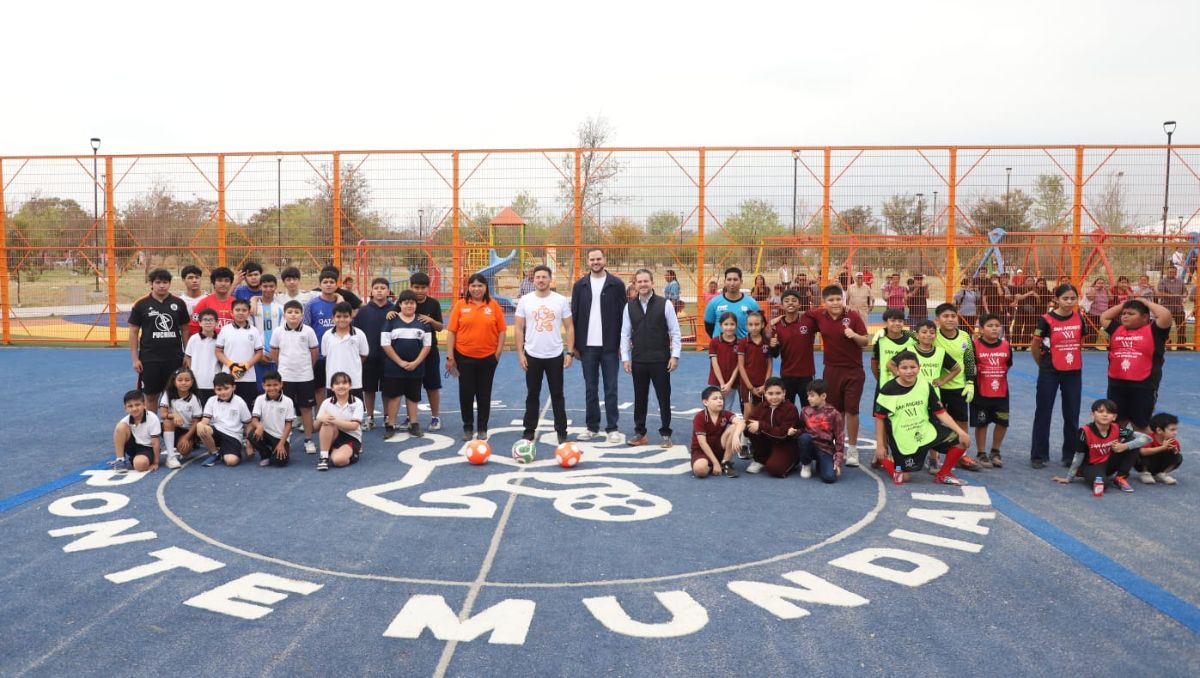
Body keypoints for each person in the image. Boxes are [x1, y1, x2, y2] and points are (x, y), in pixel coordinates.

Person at [874, 351, 972, 487]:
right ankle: (883, 458)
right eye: (904, 368)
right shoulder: (888, 389)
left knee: (962, 441)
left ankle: (943, 475)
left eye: (913, 367)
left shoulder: (925, 385)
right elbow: (880, 418)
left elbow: (940, 412)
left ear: (919, 368)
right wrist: (880, 445)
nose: (909, 371)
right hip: (904, 438)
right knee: (904, 478)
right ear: (897, 370)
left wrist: (960, 432)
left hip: (925, 430)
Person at [805, 285, 869, 467]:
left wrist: (854, 335)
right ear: (824, 302)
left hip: (853, 370)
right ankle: (837, 446)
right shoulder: (819, 315)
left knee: (852, 410)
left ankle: (853, 449)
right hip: (831, 370)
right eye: (831, 300)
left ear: (843, 299)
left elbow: (865, 341)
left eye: (838, 299)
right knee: (835, 410)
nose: (835, 303)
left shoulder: (853, 316)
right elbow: (806, 314)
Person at [620, 269, 682, 448]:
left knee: (664, 398)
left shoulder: (665, 304)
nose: (643, 284)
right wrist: (625, 358)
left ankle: (666, 434)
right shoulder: (629, 306)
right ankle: (640, 433)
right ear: (635, 284)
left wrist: (675, 356)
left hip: (660, 360)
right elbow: (625, 334)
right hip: (639, 360)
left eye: (646, 281)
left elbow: (675, 332)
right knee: (640, 398)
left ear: (652, 283)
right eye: (639, 282)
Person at [571, 249, 627, 443]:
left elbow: (624, 315)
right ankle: (592, 427)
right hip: (587, 347)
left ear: (604, 260)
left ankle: (612, 428)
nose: (595, 262)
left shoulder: (616, 284)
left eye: (598, 259)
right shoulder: (580, 285)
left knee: (611, 388)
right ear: (587, 262)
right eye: (592, 259)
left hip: (610, 346)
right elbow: (574, 314)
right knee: (590, 389)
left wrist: (622, 344)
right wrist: (574, 345)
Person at [515, 265, 574, 444]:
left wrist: (570, 352)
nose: (541, 280)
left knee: (557, 394)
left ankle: (561, 430)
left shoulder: (560, 300)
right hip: (532, 354)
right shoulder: (525, 300)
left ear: (550, 279)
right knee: (532, 394)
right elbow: (518, 328)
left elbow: (569, 327)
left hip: (555, 355)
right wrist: (520, 353)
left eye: (544, 277)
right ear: (533, 280)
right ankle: (529, 429)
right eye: (538, 277)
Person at [446, 273, 506, 441]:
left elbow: (502, 330)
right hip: (463, 357)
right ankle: (467, 426)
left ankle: (482, 427)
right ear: (468, 287)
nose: (477, 289)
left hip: (488, 358)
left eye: (480, 285)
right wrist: (450, 356)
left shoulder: (493, 305)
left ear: (486, 287)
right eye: (473, 285)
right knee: (466, 393)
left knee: (484, 394)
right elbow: (451, 332)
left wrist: (498, 353)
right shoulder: (460, 305)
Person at [1030, 283, 1084, 469]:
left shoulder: (1079, 318)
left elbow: (1079, 342)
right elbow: (1035, 346)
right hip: (1049, 371)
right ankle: (1038, 455)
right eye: (1065, 298)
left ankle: (1070, 455)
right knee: (1043, 412)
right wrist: (1044, 365)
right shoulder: (1046, 320)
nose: (1069, 302)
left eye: (1073, 298)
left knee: (1072, 413)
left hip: (1073, 371)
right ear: (1056, 299)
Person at [1099, 297, 1173, 432]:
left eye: (1131, 314)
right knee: (1115, 425)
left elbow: (1165, 315)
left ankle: (1145, 446)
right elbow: (1104, 317)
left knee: (1140, 425)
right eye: (1123, 314)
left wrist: (1145, 303)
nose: (1125, 316)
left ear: (1145, 317)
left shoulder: (1154, 331)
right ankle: (1117, 446)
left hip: (1143, 386)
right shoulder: (1117, 329)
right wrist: (1125, 304)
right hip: (1116, 385)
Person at [1052, 399, 1147, 494]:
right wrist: (1069, 477)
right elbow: (1078, 455)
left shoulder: (1117, 428)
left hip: (1109, 463)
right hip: (1092, 466)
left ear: (1114, 417)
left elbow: (1146, 438)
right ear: (1092, 415)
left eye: (1109, 412)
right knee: (1103, 485)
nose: (1105, 415)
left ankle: (1120, 477)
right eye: (1100, 411)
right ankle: (1084, 473)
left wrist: (1124, 446)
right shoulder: (1084, 432)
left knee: (1133, 442)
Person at [128, 268, 190, 410]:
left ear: (169, 283)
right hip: (150, 359)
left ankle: (172, 424)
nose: (162, 286)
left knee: (175, 395)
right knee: (151, 396)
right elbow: (133, 331)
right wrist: (135, 359)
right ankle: (152, 424)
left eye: (165, 282)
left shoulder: (179, 303)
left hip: (174, 358)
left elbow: (185, 329)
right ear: (151, 283)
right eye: (158, 282)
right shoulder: (141, 304)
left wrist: (187, 354)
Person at [933, 303, 982, 472]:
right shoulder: (932, 335)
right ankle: (933, 457)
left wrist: (970, 382)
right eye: (945, 316)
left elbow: (969, 361)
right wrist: (886, 332)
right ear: (938, 320)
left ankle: (961, 455)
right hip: (936, 387)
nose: (950, 319)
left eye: (953, 316)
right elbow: (912, 336)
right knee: (935, 421)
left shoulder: (965, 336)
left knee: (961, 421)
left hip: (958, 386)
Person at [268, 300, 319, 455]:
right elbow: (274, 352)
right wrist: (282, 368)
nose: (293, 315)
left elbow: (314, 352)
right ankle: (285, 438)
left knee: (306, 409)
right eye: (290, 312)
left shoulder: (308, 331)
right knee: (284, 409)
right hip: (285, 377)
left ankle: (308, 440)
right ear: (284, 315)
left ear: (302, 315)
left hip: (305, 376)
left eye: (297, 312)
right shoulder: (278, 332)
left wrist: (307, 367)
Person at [381, 290, 432, 439]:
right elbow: (385, 344)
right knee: (394, 396)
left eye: (412, 303)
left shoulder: (423, 322)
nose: (409, 306)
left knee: (413, 396)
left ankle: (413, 424)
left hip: (416, 368)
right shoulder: (391, 320)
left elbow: (427, 345)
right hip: (394, 367)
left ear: (416, 305)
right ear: (400, 304)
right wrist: (400, 362)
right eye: (406, 303)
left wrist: (416, 362)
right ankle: (391, 425)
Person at [352, 277, 395, 431]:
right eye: (376, 288)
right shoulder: (363, 312)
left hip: (389, 358)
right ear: (371, 291)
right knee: (369, 389)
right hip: (368, 358)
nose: (379, 291)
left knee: (387, 389)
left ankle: (387, 416)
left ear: (388, 291)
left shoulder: (394, 310)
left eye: (383, 288)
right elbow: (356, 334)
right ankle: (369, 417)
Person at [971, 314, 1013, 468]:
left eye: (997, 325)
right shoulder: (974, 346)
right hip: (980, 391)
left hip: (1001, 391)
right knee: (982, 423)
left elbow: (1008, 364)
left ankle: (995, 451)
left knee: (1002, 422)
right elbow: (970, 367)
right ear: (981, 329)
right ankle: (981, 453)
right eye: (990, 326)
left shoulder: (1006, 345)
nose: (994, 328)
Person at [408, 272, 445, 430]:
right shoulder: (405, 301)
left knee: (432, 385)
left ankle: (435, 417)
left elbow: (440, 327)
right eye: (416, 287)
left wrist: (431, 320)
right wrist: (391, 313)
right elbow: (395, 318)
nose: (419, 291)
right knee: (410, 385)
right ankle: (410, 418)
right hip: (409, 351)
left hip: (430, 351)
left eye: (423, 287)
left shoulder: (433, 304)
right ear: (411, 287)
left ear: (428, 288)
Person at [745, 377, 801, 477]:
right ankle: (760, 459)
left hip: (784, 444)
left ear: (784, 393)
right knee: (751, 428)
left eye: (778, 393)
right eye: (770, 394)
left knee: (775, 469)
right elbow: (750, 422)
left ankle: (794, 460)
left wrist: (761, 425)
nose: (774, 397)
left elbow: (783, 434)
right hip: (768, 442)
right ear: (765, 393)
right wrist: (741, 426)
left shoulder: (791, 409)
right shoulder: (761, 406)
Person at [769, 289, 817, 407]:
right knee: (787, 410)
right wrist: (773, 346)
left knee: (808, 410)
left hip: (806, 375)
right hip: (787, 375)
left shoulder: (808, 321)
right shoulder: (777, 326)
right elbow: (775, 354)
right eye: (786, 301)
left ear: (799, 304)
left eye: (794, 300)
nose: (790, 303)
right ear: (782, 305)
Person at [196, 373, 253, 468]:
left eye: (226, 388)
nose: (223, 392)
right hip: (216, 432)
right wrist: (201, 426)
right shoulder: (211, 400)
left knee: (231, 461)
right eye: (219, 389)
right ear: (214, 389)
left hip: (233, 435)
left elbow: (248, 424)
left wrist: (249, 444)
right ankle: (215, 453)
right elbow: (205, 421)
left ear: (233, 387)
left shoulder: (240, 402)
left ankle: (226, 451)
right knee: (200, 426)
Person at [304, 267, 342, 404]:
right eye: (325, 282)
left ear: (336, 285)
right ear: (320, 285)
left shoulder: (341, 304)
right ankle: (321, 414)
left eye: (332, 282)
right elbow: (305, 329)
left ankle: (337, 413)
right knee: (319, 388)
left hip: (337, 354)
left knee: (338, 386)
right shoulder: (311, 305)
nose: (328, 284)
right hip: (318, 355)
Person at [215, 298, 263, 406]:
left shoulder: (254, 330)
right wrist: (231, 365)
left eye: (244, 310)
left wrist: (246, 366)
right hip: (228, 376)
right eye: (237, 310)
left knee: (247, 407)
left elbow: (259, 353)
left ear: (249, 313)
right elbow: (218, 351)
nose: (241, 312)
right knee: (227, 406)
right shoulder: (225, 330)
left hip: (249, 377)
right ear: (232, 313)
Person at [314, 371, 365, 471]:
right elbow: (315, 427)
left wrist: (333, 419)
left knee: (338, 460)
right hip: (333, 434)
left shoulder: (357, 402)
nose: (341, 386)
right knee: (326, 423)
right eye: (337, 383)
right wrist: (320, 419)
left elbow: (354, 426)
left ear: (350, 386)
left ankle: (350, 453)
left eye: (344, 383)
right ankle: (324, 457)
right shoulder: (326, 402)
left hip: (351, 437)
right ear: (332, 388)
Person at [690, 386, 745, 478]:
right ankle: (714, 465)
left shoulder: (725, 413)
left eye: (721, 398)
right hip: (702, 451)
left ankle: (726, 462)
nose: (719, 401)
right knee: (700, 471)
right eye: (715, 399)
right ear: (705, 402)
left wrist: (736, 436)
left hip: (719, 447)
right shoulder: (699, 417)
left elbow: (741, 422)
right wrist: (715, 463)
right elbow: (702, 443)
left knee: (735, 427)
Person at [797, 379, 844, 483]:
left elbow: (839, 438)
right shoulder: (805, 411)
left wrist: (838, 461)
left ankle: (821, 463)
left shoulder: (834, 414)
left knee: (829, 478)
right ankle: (806, 464)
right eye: (808, 395)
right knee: (804, 438)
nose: (808, 398)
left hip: (825, 449)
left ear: (823, 396)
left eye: (812, 396)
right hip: (809, 445)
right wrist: (795, 431)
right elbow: (801, 430)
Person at [321, 302, 370, 402]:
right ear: (333, 318)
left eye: (346, 316)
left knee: (355, 408)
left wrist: (353, 365)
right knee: (333, 409)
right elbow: (326, 355)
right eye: (338, 316)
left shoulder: (359, 334)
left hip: (354, 382)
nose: (342, 319)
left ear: (351, 318)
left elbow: (364, 355)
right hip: (333, 382)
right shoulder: (327, 335)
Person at [159, 367, 203, 469]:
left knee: (184, 451)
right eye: (180, 380)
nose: (183, 383)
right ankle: (171, 456)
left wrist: (186, 437)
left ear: (192, 382)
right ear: (174, 381)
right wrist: (173, 415)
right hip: (172, 427)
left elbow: (196, 421)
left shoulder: (194, 399)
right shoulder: (168, 394)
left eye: (187, 380)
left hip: (187, 430)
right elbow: (163, 414)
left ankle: (185, 444)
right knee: (168, 421)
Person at [249, 371, 295, 467]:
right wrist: (259, 426)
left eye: (275, 385)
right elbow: (254, 419)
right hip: (265, 433)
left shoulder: (288, 401)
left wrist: (282, 443)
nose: (272, 388)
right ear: (263, 386)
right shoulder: (259, 399)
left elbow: (288, 424)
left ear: (281, 384)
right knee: (252, 434)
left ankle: (282, 448)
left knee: (280, 462)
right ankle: (265, 455)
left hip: (280, 437)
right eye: (268, 385)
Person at [112, 389, 162, 474]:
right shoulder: (125, 420)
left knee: (140, 465)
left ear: (144, 405)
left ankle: (139, 459)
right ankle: (120, 460)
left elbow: (155, 442)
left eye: (137, 405)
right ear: (125, 408)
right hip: (133, 446)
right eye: (130, 406)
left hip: (147, 448)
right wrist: (120, 455)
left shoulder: (152, 418)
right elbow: (119, 439)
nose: (134, 408)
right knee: (120, 427)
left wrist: (155, 462)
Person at [249, 273, 284, 393]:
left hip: (277, 355)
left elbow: (283, 332)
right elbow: (250, 331)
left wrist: (276, 353)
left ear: (276, 287)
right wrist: (259, 354)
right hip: (259, 355)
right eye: (265, 286)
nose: (268, 289)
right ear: (260, 287)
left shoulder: (281, 307)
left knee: (277, 389)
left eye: (271, 286)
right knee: (260, 390)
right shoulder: (253, 307)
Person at [703, 267, 761, 339]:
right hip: (720, 345)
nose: (732, 283)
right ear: (724, 281)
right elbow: (709, 326)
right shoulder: (714, 302)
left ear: (741, 281)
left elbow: (758, 326)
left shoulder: (752, 303)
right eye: (729, 279)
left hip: (743, 345)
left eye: (735, 279)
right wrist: (720, 341)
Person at [737, 311, 772, 418]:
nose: (754, 327)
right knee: (748, 412)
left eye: (757, 324)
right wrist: (750, 387)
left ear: (762, 325)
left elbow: (769, 365)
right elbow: (741, 366)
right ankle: (744, 429)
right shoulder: (743, 342)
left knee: (761, 412)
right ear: (746, 326)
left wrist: (765, 384)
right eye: (750, 325)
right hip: (747, 384)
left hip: (762, 384)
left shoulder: (767, 342)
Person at [184, 308, 221, 404]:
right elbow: (188, 356)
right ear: (199, 323)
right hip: (197, 382)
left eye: (211, 320)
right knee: (198, 408)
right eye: (205, 320)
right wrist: (193, 371)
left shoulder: (220, 339)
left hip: (215, 382)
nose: (208, 322)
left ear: (217, 322)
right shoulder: (193, 339)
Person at [1135, 412, 1183, 485]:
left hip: (1159, 464)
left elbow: (1176, 456)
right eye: (1172, 430)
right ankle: (1145, 473)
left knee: (1178, 457)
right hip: (1145, 463)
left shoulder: (1173, 441)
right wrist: (1162, 448)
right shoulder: (1148, 438)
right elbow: (1142, 452)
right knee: (1139, 453)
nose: (1175, 432)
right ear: (1159, 430)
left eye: (1176, 429)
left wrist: (1174, 451)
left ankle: (1162, 474)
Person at [871, 308, 911, 392]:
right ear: (885, 322)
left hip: (906, 385)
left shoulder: (911, 341)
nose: (897, 323)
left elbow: (918, 334)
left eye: (900, 321)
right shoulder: (880, 340)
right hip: (884, 385)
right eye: (893, 321)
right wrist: (880, 379)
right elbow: (874, 364)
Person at [190, 267, 236, 334]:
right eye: (219, 280)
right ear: (213, 283)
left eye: (226, 281)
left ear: (231, 283)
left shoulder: (236, 303)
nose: (223, 284)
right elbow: (194, 326)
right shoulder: (204, 303)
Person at [708, 312, 740, 404]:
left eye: (732, 324)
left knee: (727, 407)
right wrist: (722, 383)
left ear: (736, 325)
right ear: (720, 325)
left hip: (732, 382)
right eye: (726, 324)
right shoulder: (714, 342)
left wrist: (729, 383)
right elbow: (714, 364)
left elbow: (739, 365)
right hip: (716, 381)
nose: (729, 327)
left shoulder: (740, 343)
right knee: (714, 405)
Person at [1156, 267, 1188, 346]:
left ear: (1176, 273)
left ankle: (1181, 345)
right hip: (1166, 308)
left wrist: (1184, 295)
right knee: (1165, 327)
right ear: (1167, 272)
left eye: (1174, 272)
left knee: (1181, 327)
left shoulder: (1180, 281)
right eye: (1170, 272)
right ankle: (1167, 344)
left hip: (1179, 308)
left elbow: (1185, 292)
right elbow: (1160, 293)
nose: (1172, 273)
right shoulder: (1162, 281)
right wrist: (1173, 295)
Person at [1083, 277, 1110, 344]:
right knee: (1091, 331)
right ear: (1095, 283)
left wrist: (1107, 290)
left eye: (1102, 283)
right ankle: (1088, 345)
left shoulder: (1105, 290)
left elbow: (1112, 298)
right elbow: (1090, 298)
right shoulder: (1091, 289)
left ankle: (1096, 344)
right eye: (1099, 283)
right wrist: (1095, 289)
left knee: (1099, 330)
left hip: (1103, 315)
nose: (1100, 284)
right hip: (1093, 314)